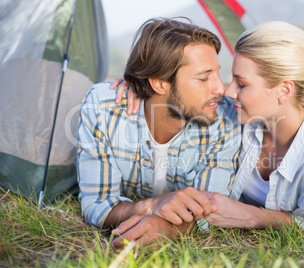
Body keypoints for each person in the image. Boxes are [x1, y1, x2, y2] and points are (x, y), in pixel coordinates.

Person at [117, 21, 304, 232]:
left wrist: (253, 216)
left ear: (283, 90)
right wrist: (143, 89)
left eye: (242, 84)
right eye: (231, 78)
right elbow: (184, 94)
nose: (228, 91)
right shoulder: (238, 115)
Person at [77, 18, 241, 250]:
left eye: (217, 73)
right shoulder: (102, 108)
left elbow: (211, 209)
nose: (220, 89)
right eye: (204, 78)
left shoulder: (225, 119)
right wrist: (151, 206)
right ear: (159, 84)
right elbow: (96, 203)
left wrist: (167, 227)